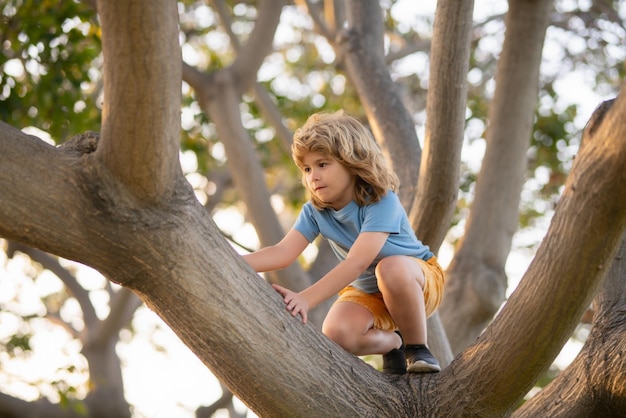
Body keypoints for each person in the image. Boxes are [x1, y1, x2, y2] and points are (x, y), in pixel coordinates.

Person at [243, 111, 445, 374]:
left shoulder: (381, 201)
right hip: (369, 292)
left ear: (351, 162)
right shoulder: (315, 212)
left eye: (322, 164)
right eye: (307, 169)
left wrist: (305, 298)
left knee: (390, 268)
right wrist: (230, 260)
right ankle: (395, 342)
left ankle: (418, 348)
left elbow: (357, 262)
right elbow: (282, 252)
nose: (313, 176)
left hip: (417, 281)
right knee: (336, 332)